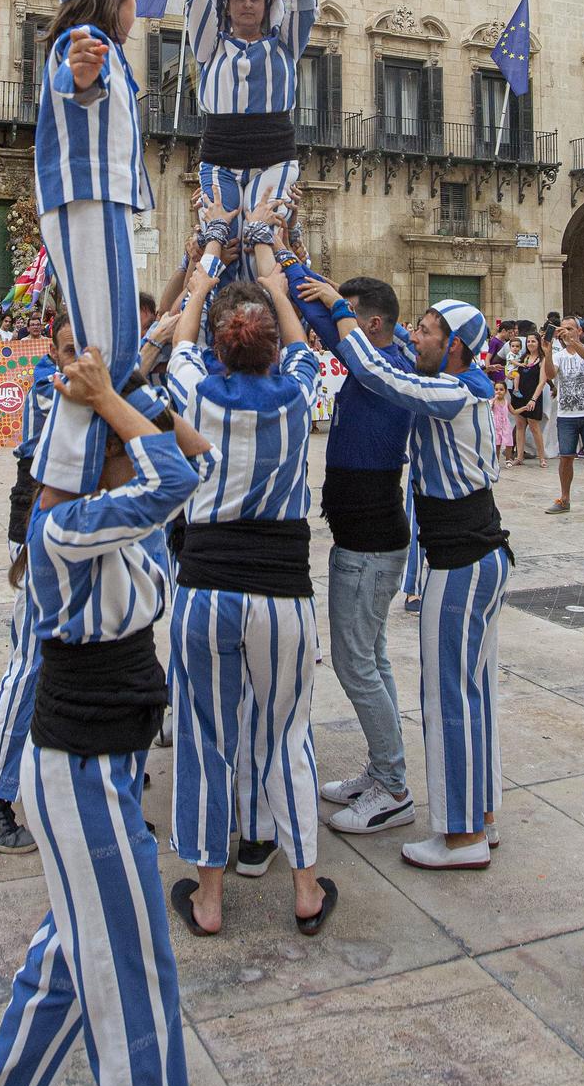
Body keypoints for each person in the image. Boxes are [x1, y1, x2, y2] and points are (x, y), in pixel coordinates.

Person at [0, 348, 236, 1086]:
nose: (134, 444)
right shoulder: (69, 528)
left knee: (72, 951)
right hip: (75, 768)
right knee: (136, 986)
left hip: (101, 761)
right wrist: (111, 400)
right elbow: (180, 471)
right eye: (117, 440)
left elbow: (195, 457)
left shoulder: (118, 519)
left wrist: (124, 392)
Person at [300, 277, 508, 872]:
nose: (416, 336)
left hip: (464, 559)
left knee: (450, 701)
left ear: (457, 347)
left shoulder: (457, 392)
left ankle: (458, 835)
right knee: (473, 697)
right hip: (470, 555)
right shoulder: (450, 383)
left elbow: (378, 373)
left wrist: (339, 308)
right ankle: (482, 818)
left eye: (428, 330)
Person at [167, 242, 335, 932]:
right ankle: (303, 889)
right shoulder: (299, 390)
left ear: (219, 348)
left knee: (205, 737)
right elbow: (300, 341)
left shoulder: (194, 390)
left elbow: (178, 339)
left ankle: (207, 897)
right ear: (270, 347)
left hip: (204, 586)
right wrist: (275, 281)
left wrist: (203, 280)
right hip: (282, 589)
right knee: (285, 735)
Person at [286, 266, 417, 836]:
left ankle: (392, 788)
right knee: (373, 659)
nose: (341, 326)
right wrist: (294, 261)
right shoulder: (385, 352)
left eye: (351, 315)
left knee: (355, 664)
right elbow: (324, 316)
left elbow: (325, 320)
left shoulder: (386, 367)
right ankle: (380, 769)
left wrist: (292, 267)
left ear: (375, 323)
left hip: (369, 545)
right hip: (363, 541)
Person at [32, 0, 151, 497]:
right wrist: (79, 75)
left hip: (99, 200)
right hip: (89, 197)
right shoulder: (84, 39)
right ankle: (59, 494)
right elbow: (75, 78)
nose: (136, 9)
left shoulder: (110, 51)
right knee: (105, 351)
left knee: (116, 348)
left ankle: (95, 476)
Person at [0, 313, 77, 854]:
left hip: (67, 524)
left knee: (56, 654)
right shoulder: (47, 386)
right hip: (37, 523)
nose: (76, 357)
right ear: (51, 349)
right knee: (30, 657)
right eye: (68, 347)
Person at [184, 0, 316, 278]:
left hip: (274, 155)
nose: (247, 4)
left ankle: (267, 308)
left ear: (267, 5)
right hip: (220, 156)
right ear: (227, 7)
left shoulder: (285, 45)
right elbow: (198, 2)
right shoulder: (210, 46)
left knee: (262, 235)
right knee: (221, 237)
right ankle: (221, 310)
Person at [543, 319, 584, 519]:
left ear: (580, 331)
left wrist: (573, 342)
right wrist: (547, 352)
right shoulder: (559, 355)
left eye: (571, 329)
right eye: (564, 329)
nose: (567, 332)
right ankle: (564, 498)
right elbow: (550, 374)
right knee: (565, 458)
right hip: (566, 414)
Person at [508, 331, 547, 465]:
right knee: (519, 425)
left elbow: (542, 381)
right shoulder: (522, 358)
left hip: (533, 395)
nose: (530, 344)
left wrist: (534, 399)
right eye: (529, 341)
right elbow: (512, 372)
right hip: (519, 395)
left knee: (534, 426)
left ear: (538, 343)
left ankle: (542, 457)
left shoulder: (542, 359)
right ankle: (519, 456)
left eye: (533, 341)